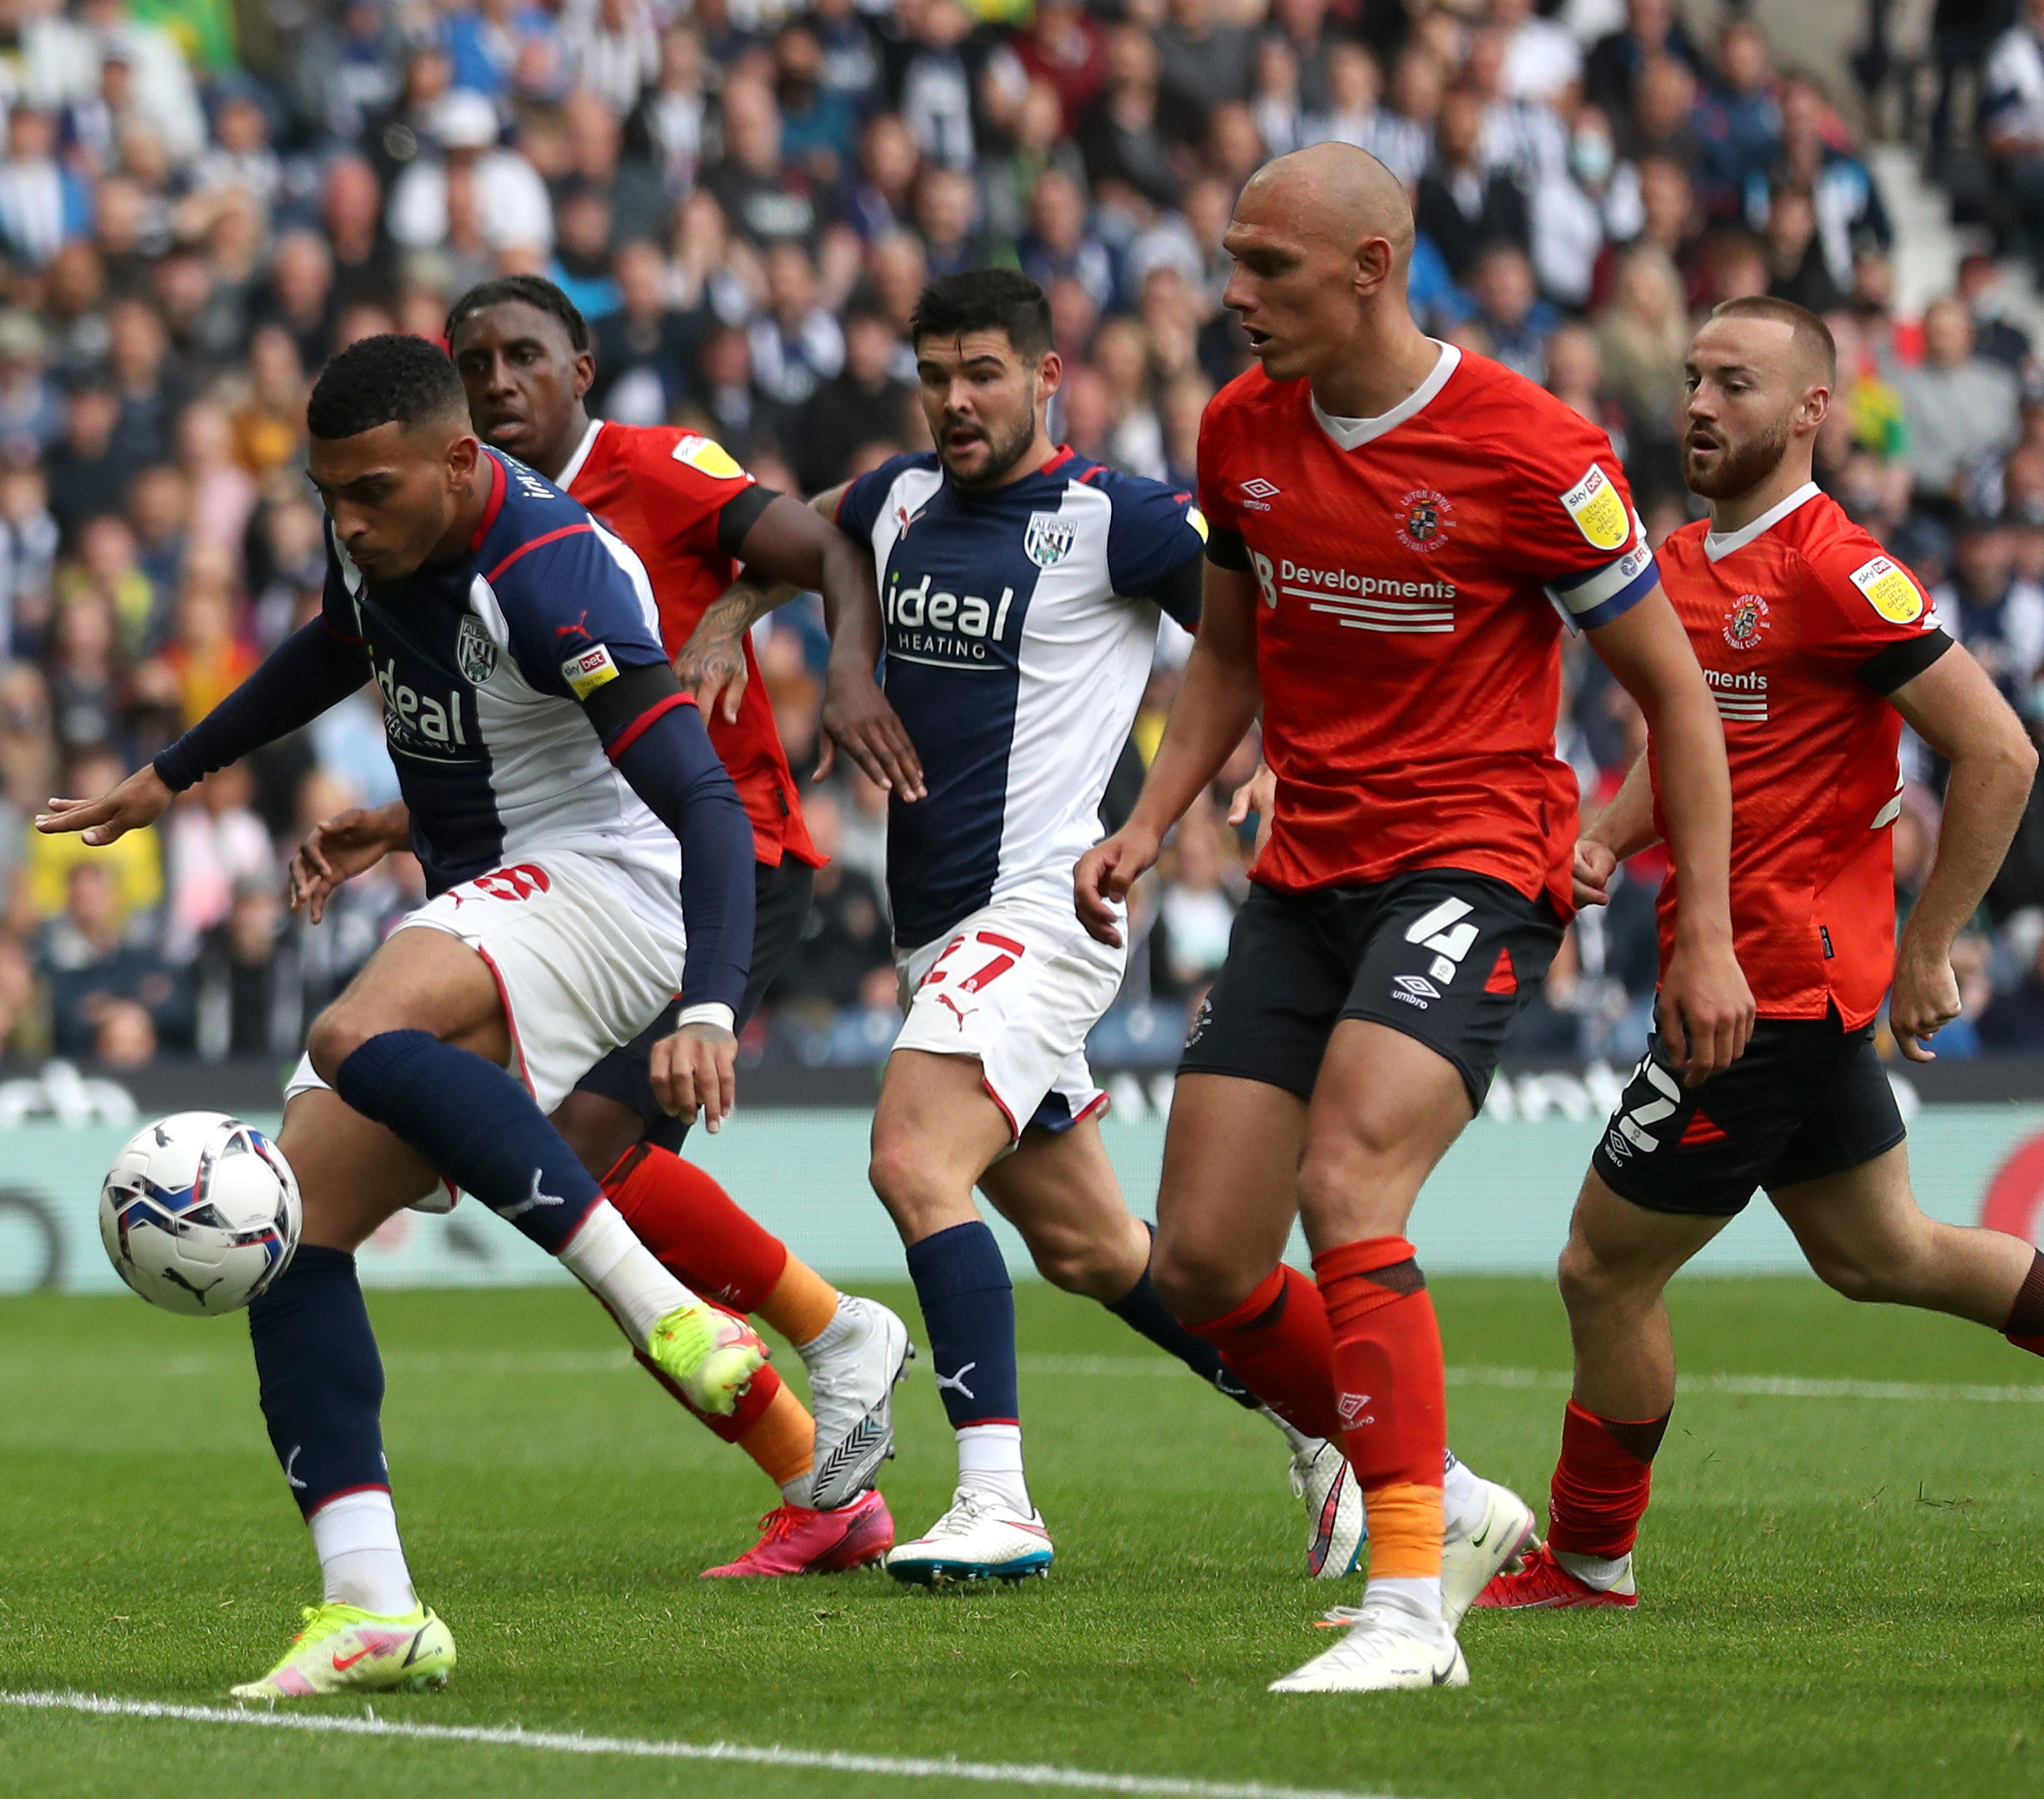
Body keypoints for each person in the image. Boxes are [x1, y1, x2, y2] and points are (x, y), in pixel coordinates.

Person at [1076, 143, 1751, 1692]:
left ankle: (1403, 1610)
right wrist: (1147, 819)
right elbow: (1228, 662)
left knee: (1350, 1175)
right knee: (1198, 1263)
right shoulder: (1239, 429)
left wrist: (1696, 929)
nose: (1233, 299)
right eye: (1232, 263)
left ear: (1373, 268)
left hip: (1470, 862)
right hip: (1305, 870)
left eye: (1270, 270)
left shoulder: (1531, 450)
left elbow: (1676, 697)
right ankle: (1442, 1496)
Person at [38, 334, 770, 1698]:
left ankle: (661, 1305)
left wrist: (714, 1001)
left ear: (458, 459)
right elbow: (330, 647)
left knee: (348, 1033)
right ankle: (371, 1604)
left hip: (614, 887)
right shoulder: (375, 542)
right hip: (494, 892)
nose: (347, 521)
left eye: (369, 491)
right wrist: (169, 776)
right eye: (329, 497)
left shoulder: (551, 577)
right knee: (291, 1224)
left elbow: (706, 805)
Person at [760, 268, 1367, 1586]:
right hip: (940, 935)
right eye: (932, 377)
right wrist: (838, 659)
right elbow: (800, 534)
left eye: (980, 374)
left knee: (914, 1159)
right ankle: (1347, 1434)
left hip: (1047, 903)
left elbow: (1261, 624)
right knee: (1096, 1249)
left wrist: (1273, 746)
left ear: (1045, 379)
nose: (953, 402)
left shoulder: (1116, 519)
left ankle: (997, 1498)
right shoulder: (899, 496)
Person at [319, 272, 906, 1578]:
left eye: (524, 355)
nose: (498, 380)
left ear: (581, 367)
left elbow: (822, 546)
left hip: (725, 859)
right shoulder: (450, 525)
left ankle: (829, 1365)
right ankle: (825, 1457)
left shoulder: (660, 472)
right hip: (591, 876)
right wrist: (400, 826)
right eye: (471, 361)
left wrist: (746, 617)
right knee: (544, 1173)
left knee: (568, 1166)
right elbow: (534, 759)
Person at [1475, 299, 2044, 1612]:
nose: (1698, 404)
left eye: (1734, 383)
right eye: (1689, 378)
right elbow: (1697, 743)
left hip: (1766, 991)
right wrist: (1613, 834)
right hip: (1771, 977)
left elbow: (1999, 751)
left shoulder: (1835, 571)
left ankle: (1585, 1559)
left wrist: (1930, 946)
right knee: (1880, 1254)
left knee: (1599, 1267)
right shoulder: (1680, 559)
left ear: (1808, 415)